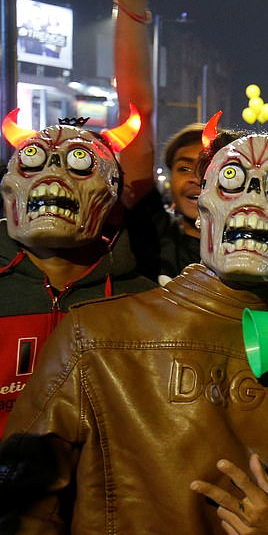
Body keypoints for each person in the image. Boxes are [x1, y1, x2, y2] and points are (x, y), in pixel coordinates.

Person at [0, 127, 268, 535]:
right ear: (201, 208)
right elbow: (16, 509)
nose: (253, 202)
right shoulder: (95, 333)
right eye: (233, 180)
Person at [0, 112, 155, 436]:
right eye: (33, 161)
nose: (53, 176)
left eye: (79, 164)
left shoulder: (146, 303)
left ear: (112, 194)